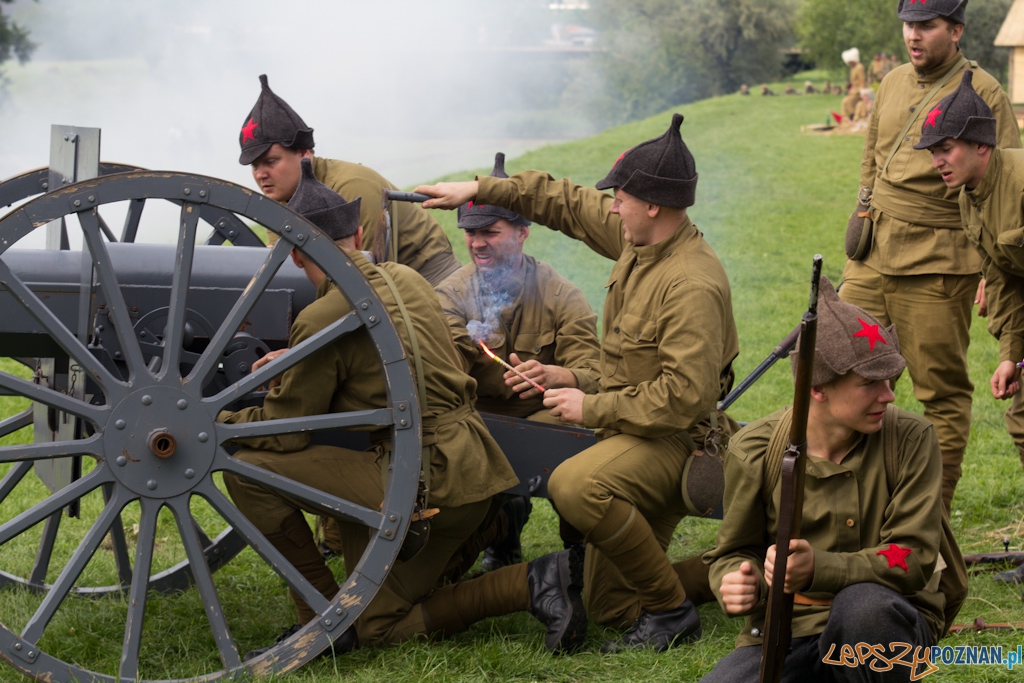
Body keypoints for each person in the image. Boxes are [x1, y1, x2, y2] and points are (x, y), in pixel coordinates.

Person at [220, 159, 586, 656]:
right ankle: (492, 527)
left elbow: (287, 434)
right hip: (472, 468)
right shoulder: (410, 280)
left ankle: (327, 614)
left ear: (296, 251)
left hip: (424, 480)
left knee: (247, 473)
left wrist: (216, 422)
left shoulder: (322, 316)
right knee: (390, 588)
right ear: (357, 232)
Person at [416, 113, 741, 652]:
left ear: (652, 205)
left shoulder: (691, 283)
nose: (612, 206)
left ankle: (671, 612)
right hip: (633, 429)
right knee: (613, 607)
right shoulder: (640, 239)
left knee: (575, 484)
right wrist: (479, 189)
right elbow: (563, 201)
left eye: (621, 198)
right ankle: (738, 573)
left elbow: (684, 399)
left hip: (673, 436)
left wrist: (591, 406)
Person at [701, 278, 954, 683]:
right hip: (789, 629)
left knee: (864, 610)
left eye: (890, 381)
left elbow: (913, 557)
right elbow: (734, 551)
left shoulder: (910, 439)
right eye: (870, 383)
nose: (888, 396)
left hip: (887, 622)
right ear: (817, 388)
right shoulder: (756, 448)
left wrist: (820, 568)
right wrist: (735, 580)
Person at [840, 0, 1022, 513]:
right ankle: (846, 504)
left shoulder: (984, 91)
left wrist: (996, 266)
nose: (914, 36)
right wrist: (862, 210)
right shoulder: (894, 81)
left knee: (938, 394)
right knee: (842, 371)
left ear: (957, 30)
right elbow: (872, 153)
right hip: (873, 256)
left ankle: (928, 524)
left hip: (940, 263)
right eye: (908, 26)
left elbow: (1003, 179)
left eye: (927, 25)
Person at [435, 152, 602, 572]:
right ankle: (497, 533)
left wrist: (556, 375)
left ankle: (579, 549)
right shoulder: (451, 294)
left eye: (490, 231)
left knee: (577, 435)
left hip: (540, 417)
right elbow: (441, 372)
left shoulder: (562, 294)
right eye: (470, 234)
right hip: (478, 419)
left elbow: (597, 375)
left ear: (523, 232)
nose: (477, 244)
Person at [915, 70, 1024, 584]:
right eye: (933, 150)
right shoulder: (968, 199)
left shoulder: (1021, 183)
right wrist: (1011, 352)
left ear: (982, 145)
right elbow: (1002, 279)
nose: (937, 160)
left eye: (948, 148)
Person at [237, 74, 461, 286]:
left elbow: (369, 278)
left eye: (271, 161)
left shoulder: (351, 188)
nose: (260, 174)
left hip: (429, 276)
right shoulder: (279, 196)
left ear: (304, 153)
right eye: (255, 166)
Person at [841, 47, 865, 121]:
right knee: (844, 101)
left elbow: (862, 80)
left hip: (858, 91)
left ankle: (854, 116)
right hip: (853, 90)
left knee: (849, 102)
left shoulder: (859, 67)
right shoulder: (853, 68)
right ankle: (844, 117)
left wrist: (862, 91)